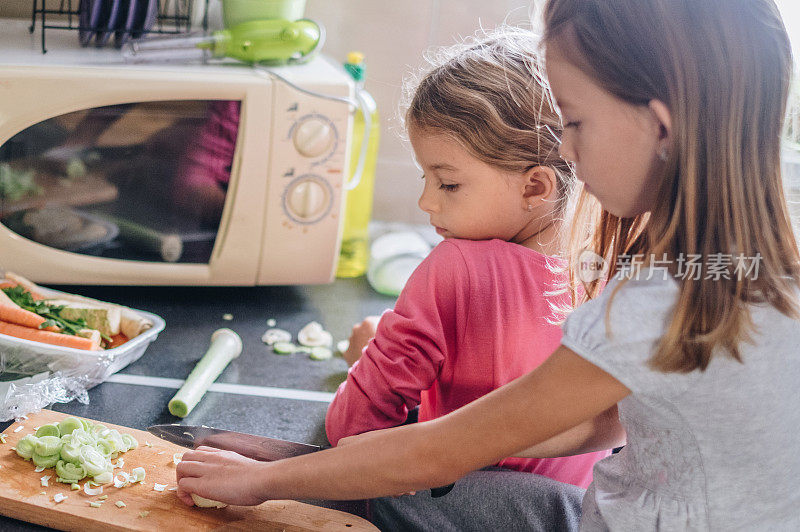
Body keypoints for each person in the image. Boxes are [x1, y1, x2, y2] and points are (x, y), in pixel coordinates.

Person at [175, 1, 800, 530]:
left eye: (574, 122)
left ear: (660, 129)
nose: (567, 155)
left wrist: (275, 481)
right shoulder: (748, 269)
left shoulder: (657, 299)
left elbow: (436, 456)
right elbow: (601, 423)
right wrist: (474, 441)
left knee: (334, 480)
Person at [325, 29, 615, 528]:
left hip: (461, 510)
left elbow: (350, 431)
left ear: (536, 186)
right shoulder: (613, 267)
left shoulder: (457, 266)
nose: (427, 202)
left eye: (448, 182)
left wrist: (369, 360)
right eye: (425, 178)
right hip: (568, 511)